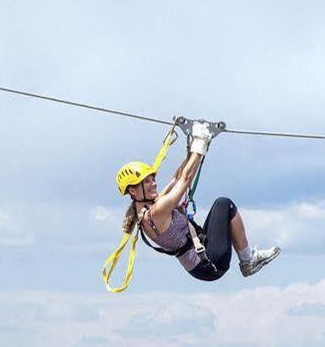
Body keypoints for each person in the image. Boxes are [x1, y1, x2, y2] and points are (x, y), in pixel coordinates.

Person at [116, 120, 279, 281]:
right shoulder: (157, 211)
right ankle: (248, 260)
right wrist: (200, 143)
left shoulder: (147, 209)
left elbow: (178, 178)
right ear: (132, 190)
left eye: (152, 179)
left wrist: (195, 148)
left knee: (219, 204)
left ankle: (247, 258)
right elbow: (185, 179)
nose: (154, 183)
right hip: (210, 263)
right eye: (147, 182)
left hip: (203, 256)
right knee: (224, 204)